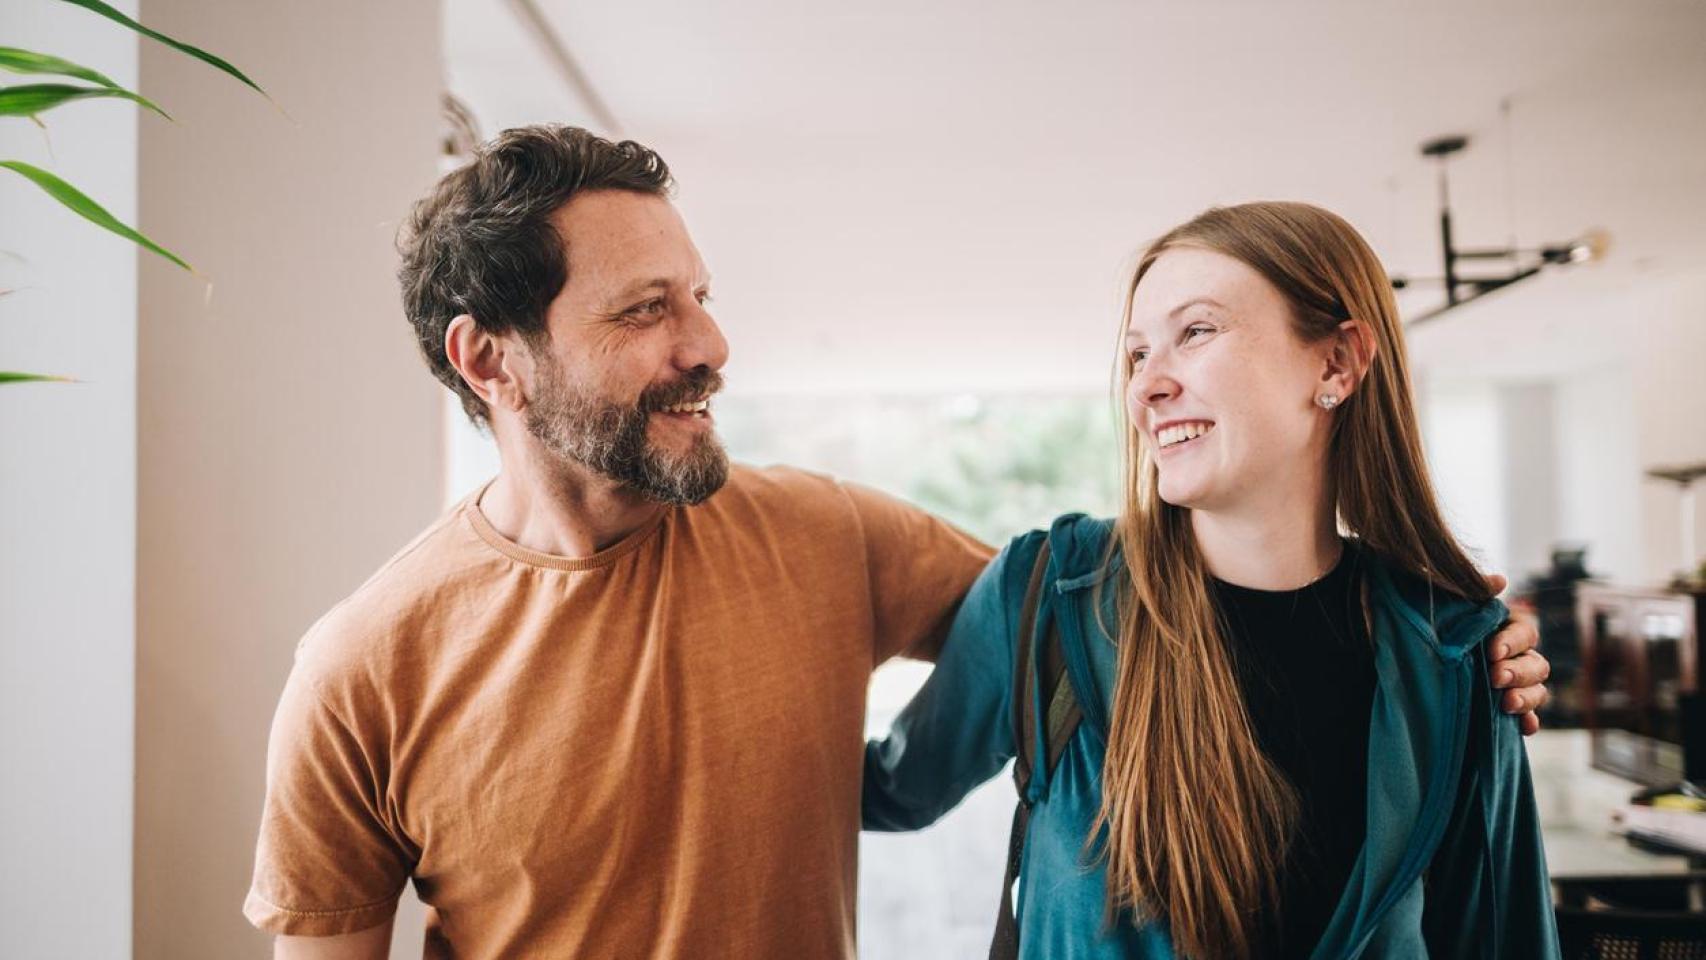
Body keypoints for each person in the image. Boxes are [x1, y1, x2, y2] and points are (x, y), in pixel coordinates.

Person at [244, 128, 1550, 958]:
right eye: (646, 309)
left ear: (1341, 363)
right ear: (491, 362)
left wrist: (1473, 642)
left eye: (700, 297)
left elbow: (1110, 631)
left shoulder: (830, 538)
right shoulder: (362, 665)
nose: (708, 344)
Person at [864, 202, 1560, 959]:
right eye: (1136, 355)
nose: (1146, 388)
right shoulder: (1048, 594)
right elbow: (888, 788)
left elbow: (1503, 932)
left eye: (1195, 332)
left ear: (1336, 363)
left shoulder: (1454, 653)